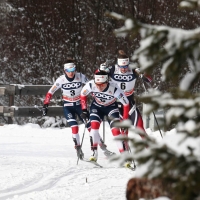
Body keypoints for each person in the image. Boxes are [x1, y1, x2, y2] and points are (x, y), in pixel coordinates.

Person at [42, 59, 113, 160]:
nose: (71, 72)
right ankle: (78, 149)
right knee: (74, 127)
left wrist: (98, 98)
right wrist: (46, 104)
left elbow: (92, 86)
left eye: (73, 69)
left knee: (91, 128)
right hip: (68, 106)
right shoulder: (61, 80)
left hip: (80, 106)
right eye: (68, 70)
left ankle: (103, 149)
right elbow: (50, 92)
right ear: (64, 70)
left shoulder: (80, 76)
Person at [99, 50, 152, 150]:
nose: (123, 69)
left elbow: (149, 79)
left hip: (129, 102)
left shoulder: (133, 69)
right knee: (123, 129)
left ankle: (150, 150)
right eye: (121, 67)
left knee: (140, 128)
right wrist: (100, 69)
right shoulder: (112, 69)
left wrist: (143, 73)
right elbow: (98, 78)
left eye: (125, 67)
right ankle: (125, 150)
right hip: (116, 103)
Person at [80, 70, 130, 162]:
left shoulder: (114, 89)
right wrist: (84, 110)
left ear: (107, 82)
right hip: (97, 107)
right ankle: (94, 153)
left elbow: (126, 104)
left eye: (102, 85)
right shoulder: (91, 85)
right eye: (97, 85)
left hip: (111, 108)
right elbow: (83, 95)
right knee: (93, 128)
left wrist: (125, 120)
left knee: (116, 132)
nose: (99, 87)